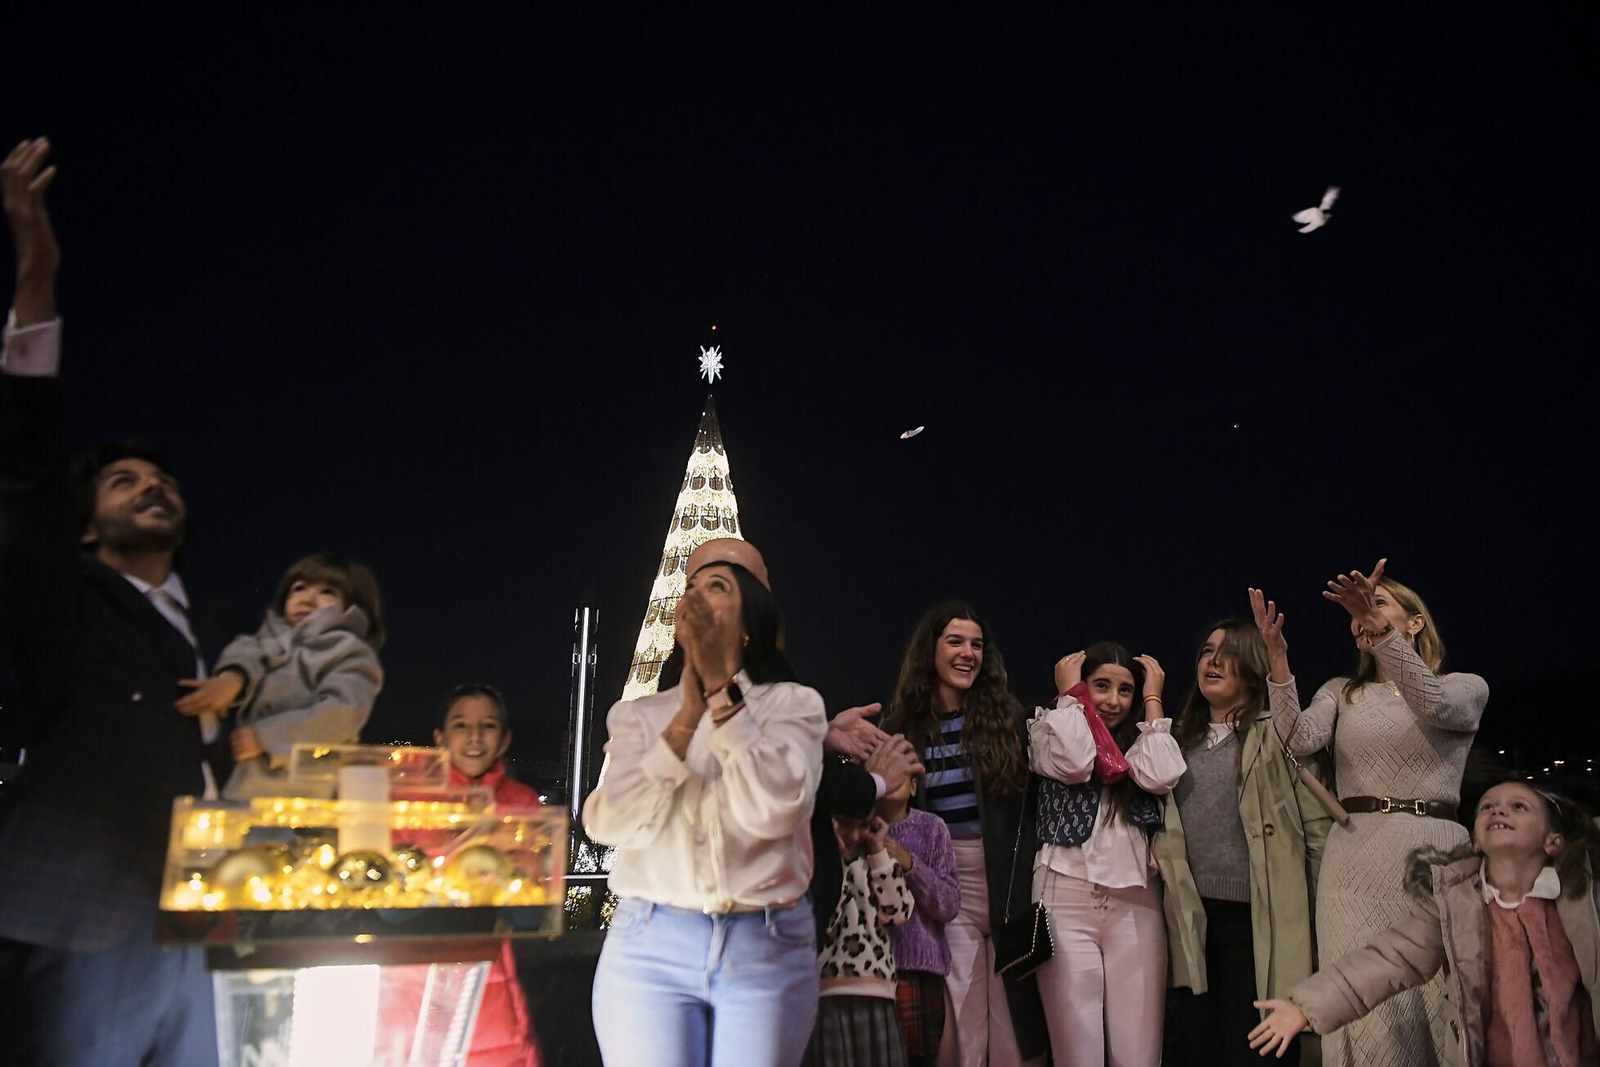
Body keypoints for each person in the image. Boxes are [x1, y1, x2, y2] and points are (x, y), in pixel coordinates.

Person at [0, 137, 221, 1064]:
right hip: (81, 926)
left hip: (184, 935)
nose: (148, 486)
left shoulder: (195, 635)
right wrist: (37, 278)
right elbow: (21, 473)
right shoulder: (68, 600)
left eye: (161, 477)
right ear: (82, 527)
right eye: (121, 479)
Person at [583, 538, 827, 1067]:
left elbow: (777, 807)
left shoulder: (794, 706)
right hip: (649, 943)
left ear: (752, 614)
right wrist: (683, 723)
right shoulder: (640, 716)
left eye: (717, 586)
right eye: (689, 586)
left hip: (767, 943)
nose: (695, 597)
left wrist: (720, 694)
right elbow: (605, 822)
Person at [1254, 562, 1490, 1066]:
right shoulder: (1342, 690)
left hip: (1436, 856)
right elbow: (1298, 738)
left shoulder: (1465, 686)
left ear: (1415, 622)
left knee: (1437, 999)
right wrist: (1278, 659)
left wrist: (1380, 630)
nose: (1361, 614)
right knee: (1362, 1010)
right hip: (1354, 861)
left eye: (1378, 603)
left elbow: (1434, 706)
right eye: (1357, 610)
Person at [1251, 781, 1600, 1067]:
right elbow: (1388, 958)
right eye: (1487, 806)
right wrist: (1305, 1006)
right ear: (1476, 841)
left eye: (1518, 807)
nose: (1498, 810)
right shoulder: (1456, 903)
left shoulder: (1581, 900)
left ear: (1553, 841)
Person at [1153, 619, 1334, 1067]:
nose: (1212, 661)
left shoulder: (1280, 734)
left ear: (1252, 668)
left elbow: (1318, 835)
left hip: (1259, 920)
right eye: (1206, 651)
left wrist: (1320, 926)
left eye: (1228, 652)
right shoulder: (1175, 741)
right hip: (1188, 919)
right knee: (1195, 1045)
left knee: (1254, 1048)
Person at [883, 601, 1048, 1066]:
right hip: (943, 885)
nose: (967, 653)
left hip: (1006, 884)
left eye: (976, 644)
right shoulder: (902, 727)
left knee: (1015, 1036)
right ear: (930, 650)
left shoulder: (1007, 718)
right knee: (963, 1029)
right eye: (955, 641)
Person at [1028, 643, 1183, 1066]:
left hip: (1135, 903)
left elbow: (1163, 774)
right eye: (1101, 686)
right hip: (1065, 896)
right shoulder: (1050, 729)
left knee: (1138, 1054)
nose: (1113, 700)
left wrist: (1154, 699)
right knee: (1078, 1054)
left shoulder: (1142, 747)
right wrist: (1069, 697)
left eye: (1125, 690)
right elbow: (1077, 762)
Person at [175, 552, 384, 799]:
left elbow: (341, 713)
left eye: (327, 592)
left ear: (353, 606)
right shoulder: (267, 638)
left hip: (309, 790)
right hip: (245, 784)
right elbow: (247, 652)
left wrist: (266, 737)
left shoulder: (348, 652)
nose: (307, 599)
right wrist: (232, 679)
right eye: (299, 588)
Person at [803, 812, 916, 1067]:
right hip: (830, 988)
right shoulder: (817, 861)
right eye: (845, 824)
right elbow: (822, 919)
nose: (854, 835)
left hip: (877, 988)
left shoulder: (878, 860)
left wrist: (878, 852)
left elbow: (899, 911)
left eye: (862, 826)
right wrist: (835, 858)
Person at [879, 773, 960, 1067]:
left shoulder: (931, 827)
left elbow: (949, 903)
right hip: (876, 975)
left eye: (901, 771)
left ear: (914, 786)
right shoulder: (862, 827)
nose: (893, 776)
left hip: (922, 973)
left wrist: (911, 864)